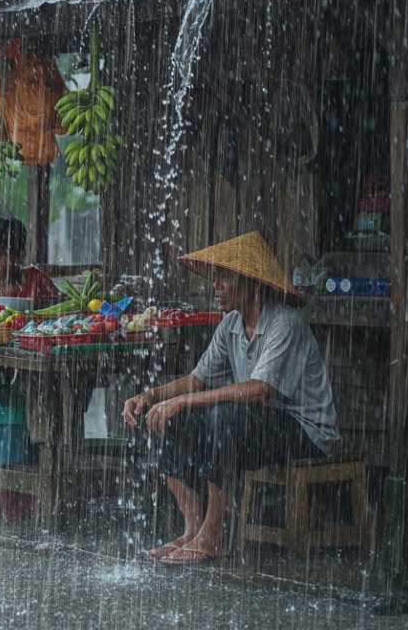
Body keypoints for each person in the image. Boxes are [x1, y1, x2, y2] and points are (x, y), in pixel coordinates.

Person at [121, 231, 339, 565]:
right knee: (177, 417)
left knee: (223, 416)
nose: (216, 284)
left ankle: (214, 535)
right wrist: (151, 396)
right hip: (261, 425)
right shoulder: (230, 324)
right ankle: (192, 530)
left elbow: (260, 390)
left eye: (225, 276)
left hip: (305, 432)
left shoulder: (285, 322)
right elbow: (196, 381)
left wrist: (185, 401)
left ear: (252, 283)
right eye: (216, 277)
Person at [0, 216, 59, 517]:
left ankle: (33, 500)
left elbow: (55, 321)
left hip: (34, 371)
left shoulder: (37, 281)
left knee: (32, 428)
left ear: (19, 255)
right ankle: (1, 500)